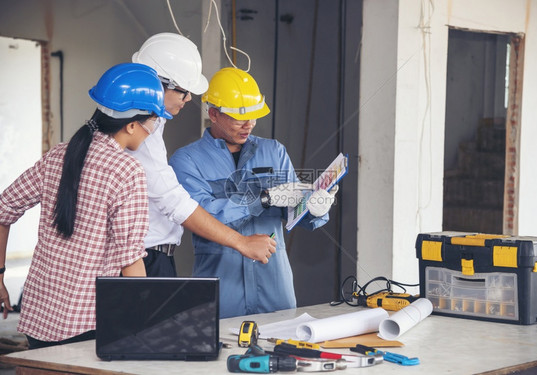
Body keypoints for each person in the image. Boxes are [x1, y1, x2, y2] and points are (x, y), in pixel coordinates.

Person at [0, 63, 169, 348]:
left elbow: (4, 208)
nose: (152, 130)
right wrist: (144, 326)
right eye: (152, 122)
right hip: (88, 324)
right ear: (131, 124)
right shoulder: (127, 171)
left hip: (38, 317)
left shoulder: (59, 154)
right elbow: (130, 260)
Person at [169, 67, 338, 318]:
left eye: (254, 116)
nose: (249, 125)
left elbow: (293, 208)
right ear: (214, 114)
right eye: (240, 118)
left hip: (275, 285)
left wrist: (314, 208)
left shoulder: (274, 151)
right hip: (220, 286)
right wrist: (263, 198)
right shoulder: (187, 160)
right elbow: (202, 216)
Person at [128, 33, 275, 277]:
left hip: (155, 255)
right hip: (144, 257)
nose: (188, 99)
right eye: (184, 91)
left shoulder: (154, 123)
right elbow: (176, 203)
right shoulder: (154, 142)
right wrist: (243, 237)